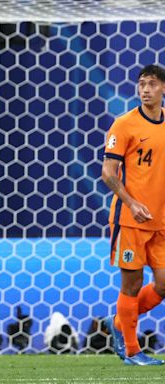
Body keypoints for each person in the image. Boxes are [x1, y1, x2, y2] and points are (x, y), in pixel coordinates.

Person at [102, 64, 165, 366]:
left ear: (163, 88)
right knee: (132, 284)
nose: (145, 89)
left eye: (152, 84)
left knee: (163, 284)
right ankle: (132, 350)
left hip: (161, 221)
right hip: (131, 220)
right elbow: (108, 173)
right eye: (142, 84)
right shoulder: (124, 124)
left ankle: (119, 320)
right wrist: (131, 202)